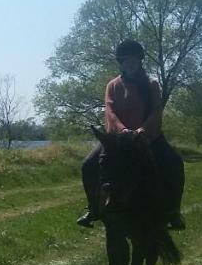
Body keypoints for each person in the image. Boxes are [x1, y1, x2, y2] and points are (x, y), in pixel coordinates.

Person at [77, 39, 186, 230]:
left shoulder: (151, 84)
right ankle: (93, 207)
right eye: (126, 60)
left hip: (147, 138)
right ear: (121, 62)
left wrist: (143, 129)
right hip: (118, 141)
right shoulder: (112, 85)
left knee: (175, 163)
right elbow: (110, 110)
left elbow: (156, 110)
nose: (130, 63)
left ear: (140, 61)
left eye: (134, 59)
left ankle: (173, 211)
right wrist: (122, 130)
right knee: (88, 165)